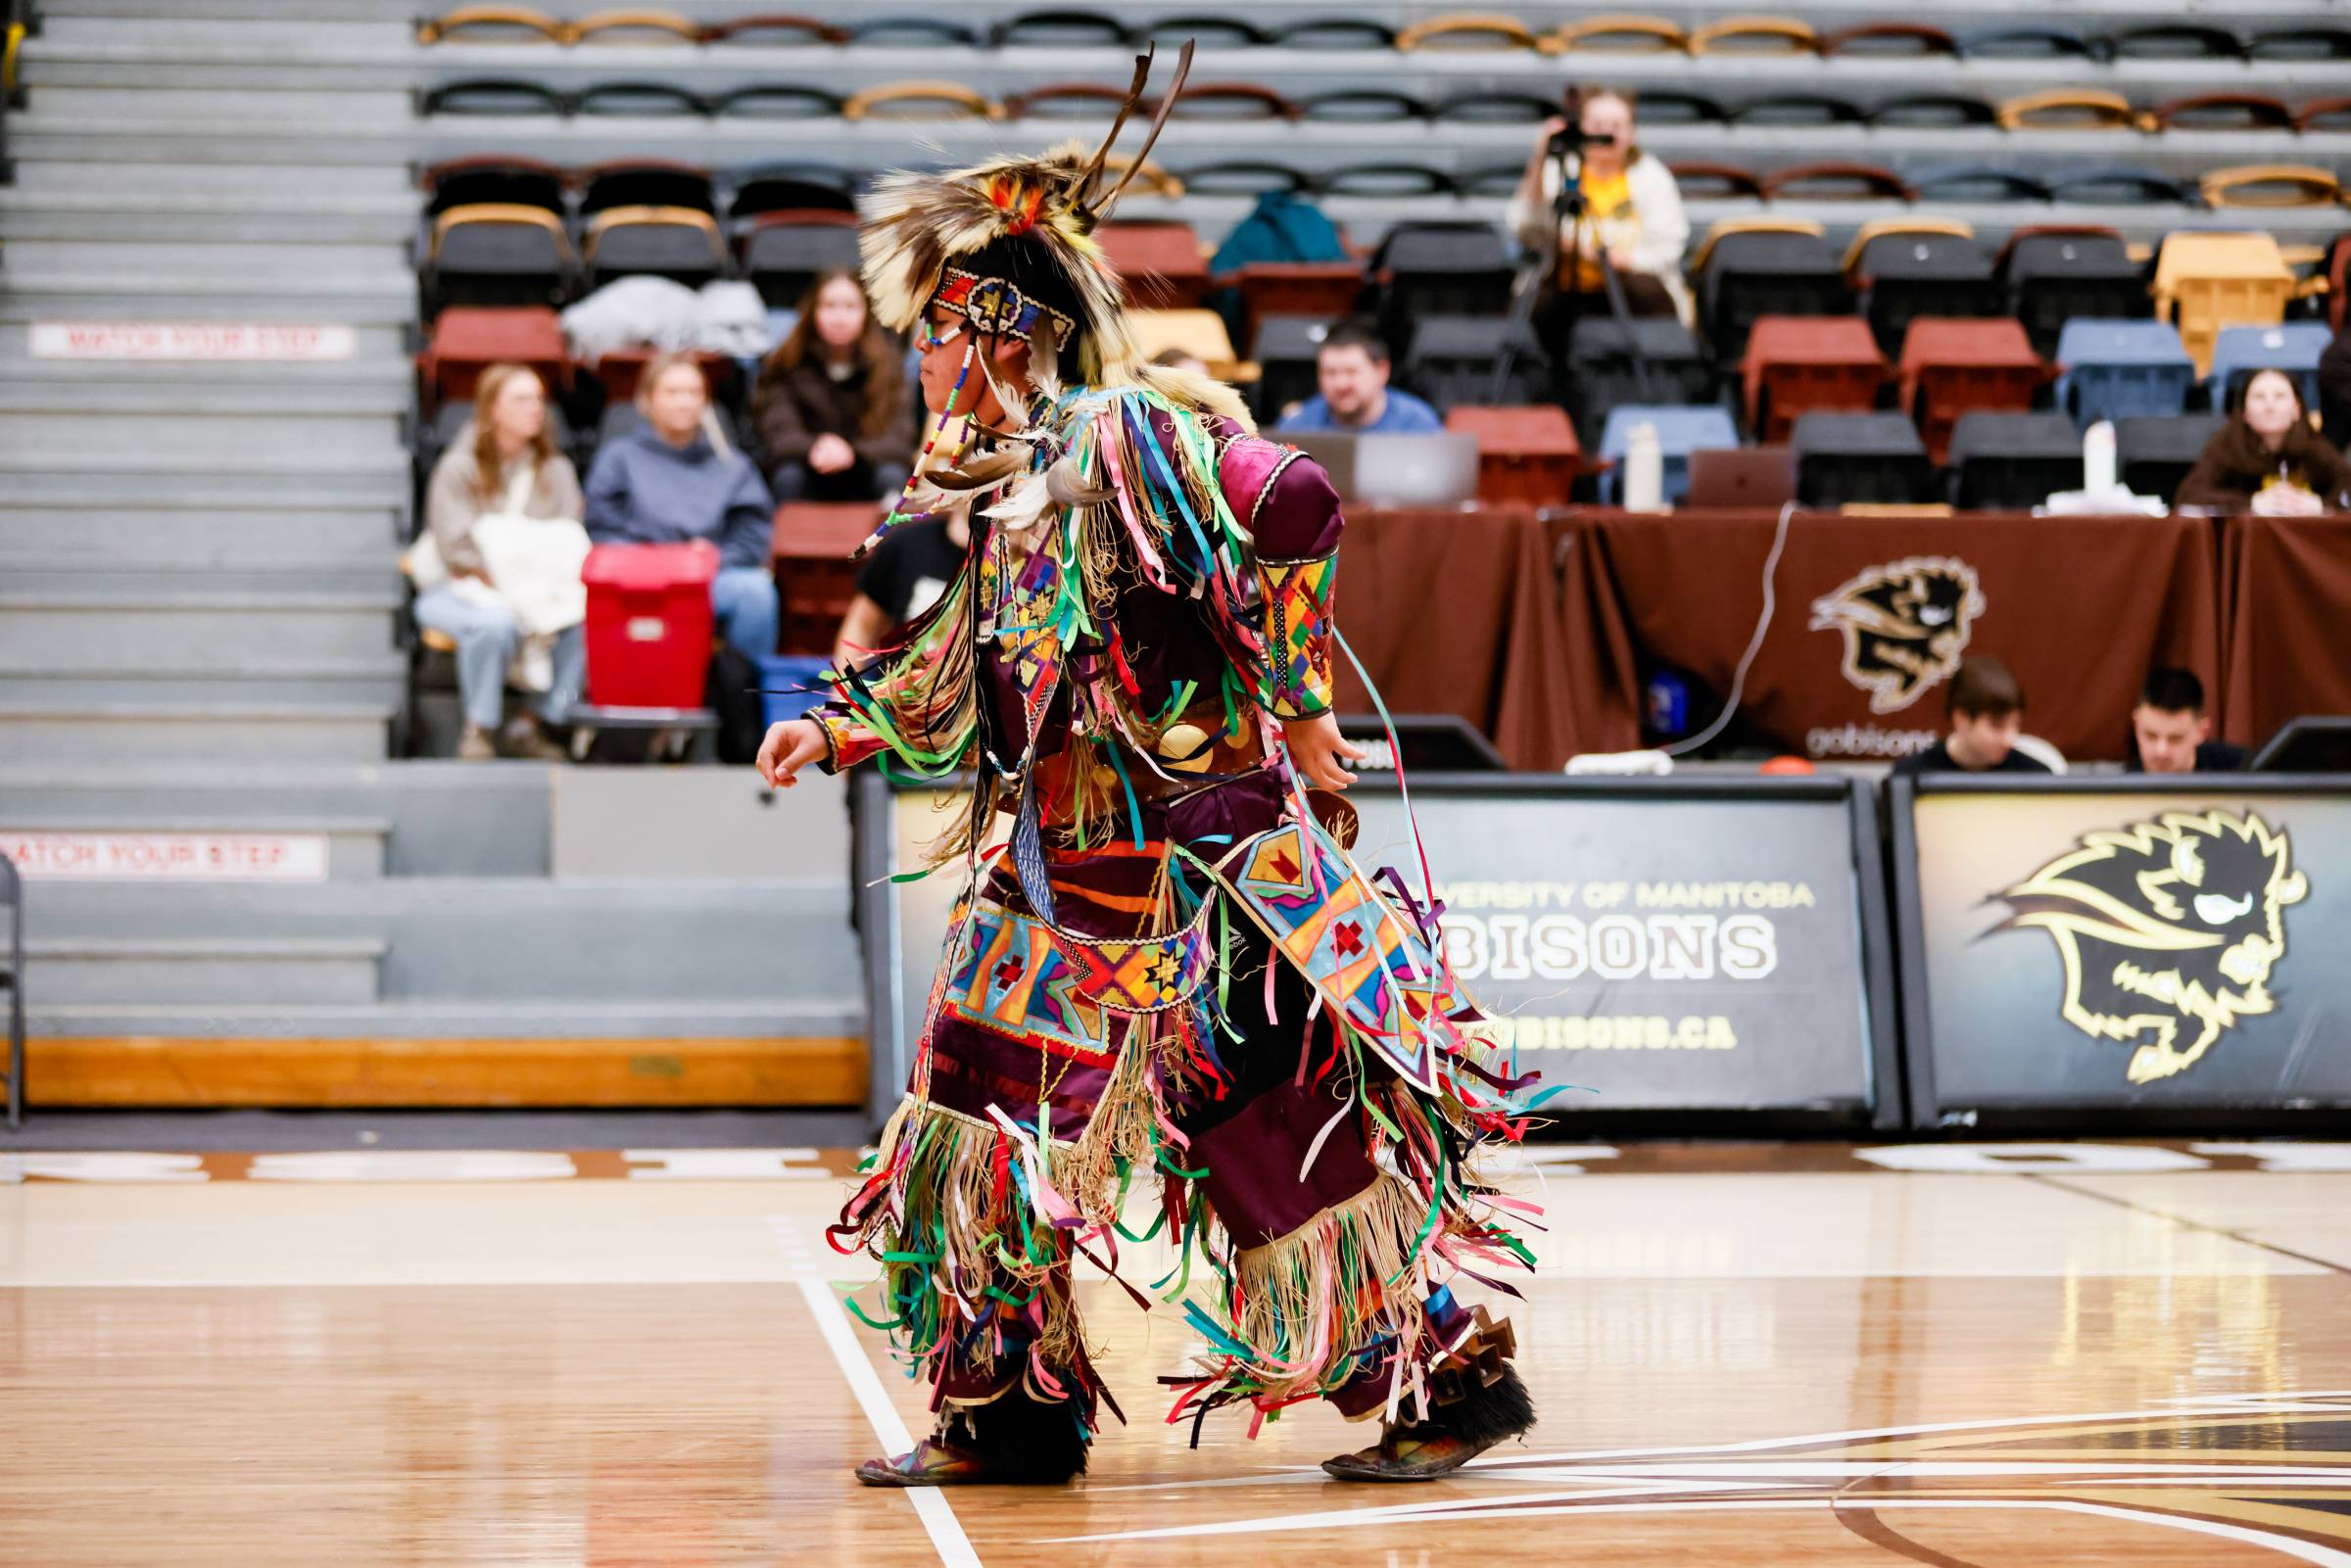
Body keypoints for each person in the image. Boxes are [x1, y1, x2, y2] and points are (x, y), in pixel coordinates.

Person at [756, 58, 1544, 1491]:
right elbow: (960, 676)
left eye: (936, 332)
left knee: (1267, 1140)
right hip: (1061, 878)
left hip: (1199, 882)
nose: (922, 361)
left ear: (999, 331)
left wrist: (1303, 709)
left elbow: (1297, 499)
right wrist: (841, 722)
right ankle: (1012, 1409)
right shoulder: (1006, 490)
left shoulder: (1122, 435)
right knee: (974, 1109)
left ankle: (1440, 1375)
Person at [414, 362, 587, 761]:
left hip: (542, 592)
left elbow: (568, 542)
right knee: (496, 621)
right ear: (492, 407)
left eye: (539, 400)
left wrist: (529, 581)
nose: (534, 409)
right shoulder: (458, 467)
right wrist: (512, 580)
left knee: (585, 619)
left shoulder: (556, 470)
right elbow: (457, 549)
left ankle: (533, 722)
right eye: (521, 399)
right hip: (460, 588)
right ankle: (480, 728)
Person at [583, 353, 780, 662]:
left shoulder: (732, 465)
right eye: (673, 392)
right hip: (639, 578)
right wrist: (660, 561)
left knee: (755, 593)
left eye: (694, 393)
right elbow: (601, 527)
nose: (685, 402)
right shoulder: (619, 458)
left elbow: (751, 535)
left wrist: (714, 558)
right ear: (647, 400)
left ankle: (744, 700)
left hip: (712, 576)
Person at [1508, 87, 1693, 341]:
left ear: (1632, 132)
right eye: (1597, 124)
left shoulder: (1652, 177)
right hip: (1565, 288)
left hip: (1630, 289)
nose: (1606, 133)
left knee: (1650, 293)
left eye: (1616, 125)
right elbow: (1524, 229)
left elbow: (1667, 250)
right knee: (1529, 304)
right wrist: (1540, 158)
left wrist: (1606, 257)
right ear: (1580, 127)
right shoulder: (1559, 170)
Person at [753, 269, 917, 503]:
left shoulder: (889, 366)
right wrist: (815, 447)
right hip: (809, 467)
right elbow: (778, 436)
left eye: (850, 307)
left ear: (866, 313)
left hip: (865, 469)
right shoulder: (786, 364)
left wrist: (852, 453)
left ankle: (888, 540)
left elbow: (899, 440)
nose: (839, 318)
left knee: (891, 475)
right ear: (812, 312)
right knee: (788, 476)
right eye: (829, 306)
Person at [2175, 367, 2351, 514]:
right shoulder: (2227, 443)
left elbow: (2346, 486)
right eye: (2259, 397)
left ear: (2296, 410)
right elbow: (2190, 493)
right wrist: (2251, 503)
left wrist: (2320, 504)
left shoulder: (2314, 446)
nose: (2269, 406)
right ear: (2245, 413)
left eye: (2280, 396)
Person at [831, 503, 969, 667]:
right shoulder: (907, 544)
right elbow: (862, 625)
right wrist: (846, 690)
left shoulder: (1005, 558)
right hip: (901, 688)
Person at [1272, 317, 1442, 434]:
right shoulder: (1297, 428)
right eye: (1330, 373)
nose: (1341, 384)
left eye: (1352, 372)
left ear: (1382, 371)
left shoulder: (1417, 425)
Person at [1894, 657, 2054, 776]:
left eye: (2016, 725)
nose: (2010, 739)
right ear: (1961, 719)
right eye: (1997, 726)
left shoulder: (2036, 776)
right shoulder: (1910, 777)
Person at [2127, 668, 2245, 774]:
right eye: (2151, 736)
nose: (2161, 751)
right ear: (2136, 725)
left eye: (2175, 739)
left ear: (2202, 732)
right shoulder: (2119, 790)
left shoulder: (2246, 770)